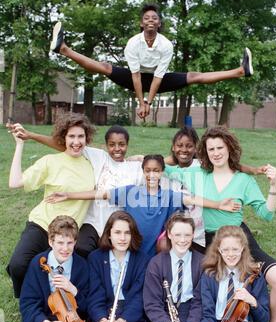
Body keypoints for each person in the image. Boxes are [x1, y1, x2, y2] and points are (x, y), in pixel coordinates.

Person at [165, 126, 276, 322]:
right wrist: (141, 158)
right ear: (204, 151)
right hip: (211, 239)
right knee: (203, 284)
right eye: (210, 148)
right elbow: (162, 168)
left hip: (239, 237)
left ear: (229, 148)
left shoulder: (243, 180)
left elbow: (267, 214)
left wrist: (273, 186)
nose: (215, 153)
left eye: (219, 148)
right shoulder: (196, 175)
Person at [50, 2, 253, 119]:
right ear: (141, 23)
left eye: (154, 18)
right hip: (135, 77)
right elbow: (136, 76)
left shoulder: (166, 45)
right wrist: (141, 103)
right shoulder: (132, 44)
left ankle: (240, 71)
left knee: (194, 76)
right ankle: (64, 48)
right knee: (104, 67)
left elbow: (157, 78)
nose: (150, 20)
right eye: (146, 18)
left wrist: (148, 102)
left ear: (159, 24)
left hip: (159, 79)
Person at [45, 154, 241, 258]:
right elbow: (101, 194)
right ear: (143, 171)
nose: (152, 175)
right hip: (131, 247)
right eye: (148, 171)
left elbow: (193, 200)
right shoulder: (131, 192)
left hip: (156, 249)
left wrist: (218, 205)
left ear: (162, 172)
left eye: (156, 171)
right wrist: (69, 194)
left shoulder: (168, 195)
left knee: (164, 245)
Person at [7, 122, 144, 257]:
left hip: (115, 224)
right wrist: (30, 135)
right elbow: (65, 146)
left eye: (121, 144)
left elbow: (156, 170)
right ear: (106, 145)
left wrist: (141, 159)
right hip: (92, 222)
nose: (117, 149)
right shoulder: (99, 157)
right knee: (80, 251)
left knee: (109, 256)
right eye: (112, 144)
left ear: (127, 145)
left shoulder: (135, 169)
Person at [7, 113, 96, 297]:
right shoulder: (51, 161)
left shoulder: (92, 164)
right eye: (71, 136)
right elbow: (15, 183)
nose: (76, 142)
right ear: (63, 138)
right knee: (18, 265)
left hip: (68, 232)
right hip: (42, 224)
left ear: (87, 138)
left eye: (81, 136)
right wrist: (20, 144)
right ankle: (27, 298)